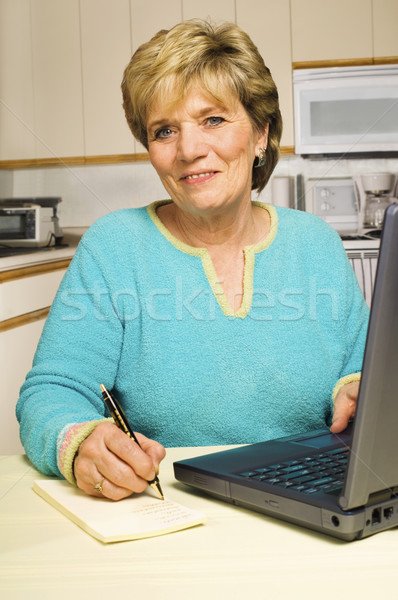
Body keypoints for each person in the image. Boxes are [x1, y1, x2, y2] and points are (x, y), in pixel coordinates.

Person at [16, 20, 369, 501]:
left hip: (311, 497)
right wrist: (79, 444)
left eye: (213, 120)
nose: (188, 150)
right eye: (164, 130)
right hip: (169, 507)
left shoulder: (316, 244)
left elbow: (363, 364)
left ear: (261, 133)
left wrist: (356, 388)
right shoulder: (114, 247)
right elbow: (52, 392)